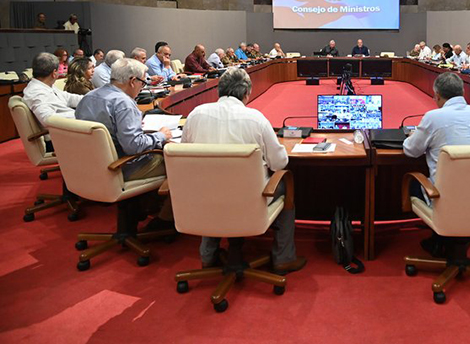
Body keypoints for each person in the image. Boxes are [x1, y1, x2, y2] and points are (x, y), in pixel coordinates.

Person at [182, 68, 307, 274]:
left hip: (204, 198)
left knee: (210, 183)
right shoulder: (255, 119)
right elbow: (279, 163)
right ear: (247, 93)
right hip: (249, 200)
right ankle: (283, 258)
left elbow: (185, 153)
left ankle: (207, 256)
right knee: (285, 184)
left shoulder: (195, 115)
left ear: (218, 91)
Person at [403, 72, 470, 256]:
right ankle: (450, 242)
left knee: (413, 182)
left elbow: (411, 151)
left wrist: (413, 136)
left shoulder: (434, 117)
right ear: (462, 91)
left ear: (437, 95)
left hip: (448, 199)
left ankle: (441, 238)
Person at [76, 58, 174, 228]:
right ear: (132, 81)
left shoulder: (89, 96)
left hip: (89, 166)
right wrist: (160, 136)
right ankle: (163, 219)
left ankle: (140, 208)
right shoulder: (123, 103)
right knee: (175, 162)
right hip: (119, 167)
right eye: (143, 83)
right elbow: (133, 147)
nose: (142, 87)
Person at [23, 52, 83, 128]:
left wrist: (92, 99)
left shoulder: (46, 86)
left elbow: (69, 98)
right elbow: (47, 119)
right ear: (54, 73)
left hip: (72, 125)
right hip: (65, 132)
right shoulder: (36, 92)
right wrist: (80, 114)